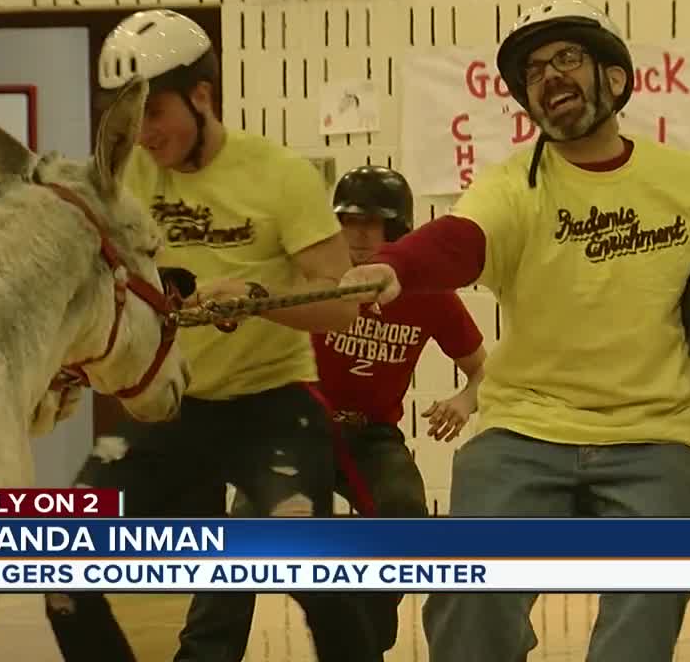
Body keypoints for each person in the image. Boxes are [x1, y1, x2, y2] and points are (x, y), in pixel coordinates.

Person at [338, 0, 690, 662]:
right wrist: (393, 265)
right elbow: (461, 239)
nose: (548, 75)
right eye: (533, 70)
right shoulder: (513, 186)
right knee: (470, 592)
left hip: (658, 435)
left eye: (566, 58)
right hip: (525, 429)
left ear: (612, 76)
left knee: (649, 594)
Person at [44, 8, 381, 662]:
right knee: (60, 562)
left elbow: (341, 307)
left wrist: (255, 298)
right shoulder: (127, 179)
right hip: (171, 405)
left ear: (203, 96)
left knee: (317, 574)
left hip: (273, 405)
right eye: (131, 117)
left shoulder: (280, 174)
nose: (143, 133)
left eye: (157, 112)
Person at [173, 165, 489, 661]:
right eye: (348, 222)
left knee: (402, 511)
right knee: (243, 540)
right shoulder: (313, 283)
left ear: (398, 232)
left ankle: (363, 645)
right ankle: (202, 656)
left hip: (372, 437)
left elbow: (480, 370)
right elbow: (256, 306)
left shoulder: (430, 296)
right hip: (294, 427)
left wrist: (463, 400)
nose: (358, 235)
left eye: (372, 224)